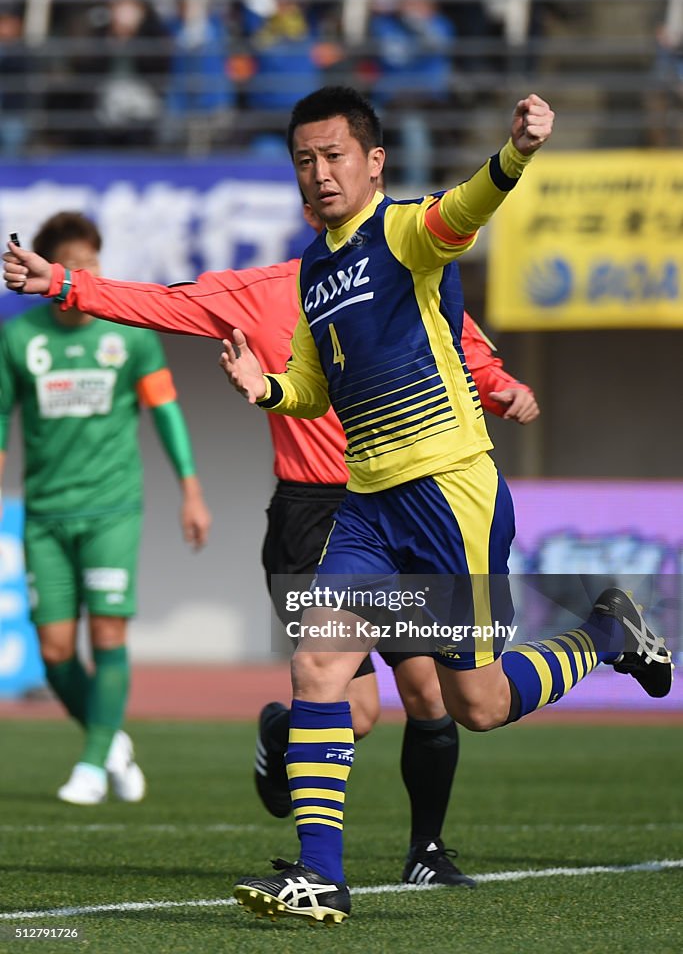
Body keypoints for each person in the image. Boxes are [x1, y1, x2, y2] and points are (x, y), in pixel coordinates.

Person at [214, 85, 671, 923]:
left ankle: (610, 629)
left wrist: (518, 154)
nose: (318, 173)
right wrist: (266, 388)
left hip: (445, 493)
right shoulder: (314, 271)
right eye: (304, 160)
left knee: (478, 704)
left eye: (333, 156)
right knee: (318, 660)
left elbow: (463, 210)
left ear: (372, 161)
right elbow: (315, 389)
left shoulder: (401, 232)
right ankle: (322, 876)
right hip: (365, 502)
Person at [3, 204, 538, 887]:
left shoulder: (403, 267)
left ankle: (425, 851)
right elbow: (164, 304)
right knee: (357, 710)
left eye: (334, 162)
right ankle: (292, 767)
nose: (328, 189)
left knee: (430, 693)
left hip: (400, 500)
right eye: (310, 167)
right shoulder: (265, 289)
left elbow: (458, 344)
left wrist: (501, 387)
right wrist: (65, 285)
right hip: (312, 515)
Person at [0, 212, 211, 806]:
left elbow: (165, 411)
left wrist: (191, 489)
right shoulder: (19, 339)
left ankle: (92, 764)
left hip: (114, 509)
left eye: (93, 261)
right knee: (55, 653)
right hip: (45, 515)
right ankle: (110, 738)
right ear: (47, 266)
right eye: (74, 261)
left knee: (110, 631)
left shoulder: (129, 333)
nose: (86, 272)